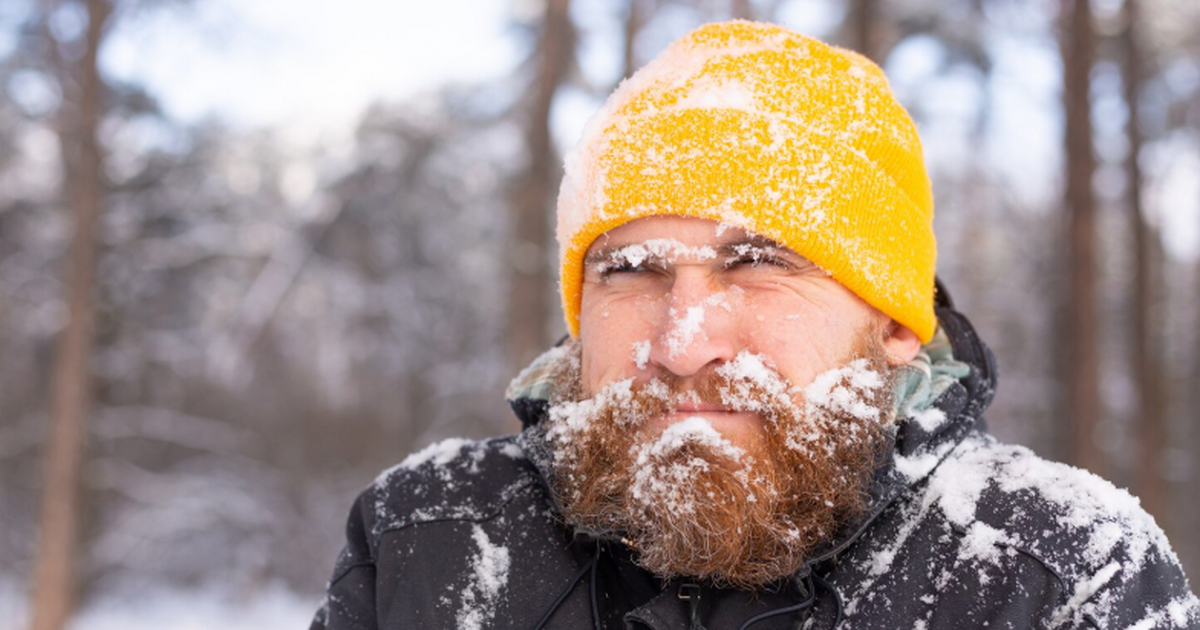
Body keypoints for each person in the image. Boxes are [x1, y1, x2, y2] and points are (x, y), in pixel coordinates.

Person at [310, 21, 1199, 630]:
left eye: (760, 263)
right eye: (631, 271)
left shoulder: (1058, 573)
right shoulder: (424, 536)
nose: (684, 340)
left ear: (894, 322)